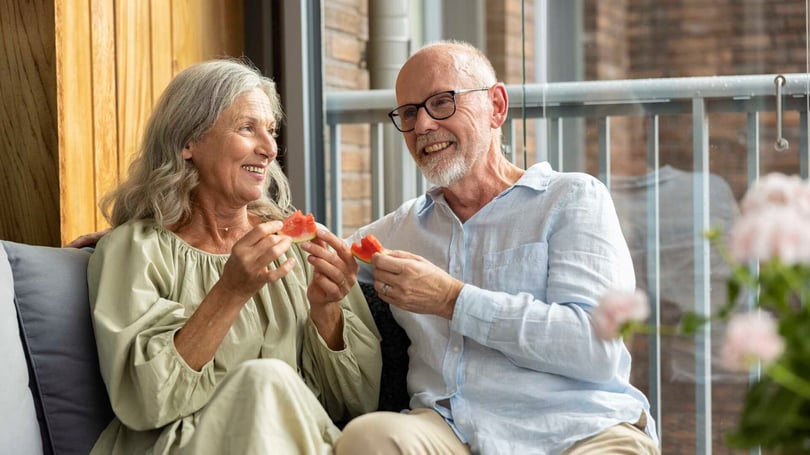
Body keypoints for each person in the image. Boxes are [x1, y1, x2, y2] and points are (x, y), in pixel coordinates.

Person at [334, 41, 660, 455]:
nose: (423, 126)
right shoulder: (402, 227)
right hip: (451, 432)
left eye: (442, 102)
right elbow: (326, 253)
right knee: (368, 439)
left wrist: (453, 299)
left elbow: (596, 348)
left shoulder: (572, 199)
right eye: (410, 112)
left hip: (580, 429)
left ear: (497, 106)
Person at [85, 59, 381, 454]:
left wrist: (326, 311)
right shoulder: (134, 250)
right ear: (187, 142)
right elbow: (146, 402)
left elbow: (357, 403)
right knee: (265, 380)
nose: (270, 147)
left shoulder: (292, 249)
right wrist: (230, 290)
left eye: (271, 131)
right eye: (247, 128)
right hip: (181, 445)